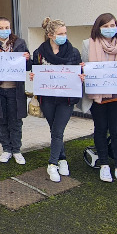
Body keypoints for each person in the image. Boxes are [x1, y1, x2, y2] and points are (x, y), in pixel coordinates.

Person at [80, 14, 117, 187]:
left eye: (112, 25)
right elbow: (84, 67)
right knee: (100, 129)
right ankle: (104, 164)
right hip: (97, 97)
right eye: (105, 26)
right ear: (98, 28)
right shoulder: (88, 44)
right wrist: (83, 72)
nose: (109, 29)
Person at [31, 17, 83, 182]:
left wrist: (81, 76)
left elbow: (78, 71)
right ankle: (62, 158)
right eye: (60, 34)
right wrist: (34, 76)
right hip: (47, 99)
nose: (64, 36)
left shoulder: (73, 52)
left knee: (58, 130)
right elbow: (36, 71)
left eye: (65, 33)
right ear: (50, 35)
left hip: (66, 99)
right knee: (54, 130)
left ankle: (52, 164)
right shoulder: (39, 53)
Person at [0, 17, 30, 165]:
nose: (4, 30)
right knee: (1, 121)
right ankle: (6, 149)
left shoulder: (19, 43)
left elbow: (28, 67)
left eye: (7, 27)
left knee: (15, 121)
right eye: (1, 28)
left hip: (15, 90)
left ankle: (16, 150)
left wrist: (27, 59)